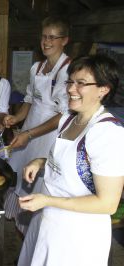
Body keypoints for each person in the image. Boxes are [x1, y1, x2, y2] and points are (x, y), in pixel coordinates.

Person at [18, 54, 124, 266]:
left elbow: (108, 203)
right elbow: (71, 161)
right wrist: (41, 162)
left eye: (81, 83)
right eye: (70, 81)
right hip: (50, 220)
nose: (70, 89)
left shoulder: (107, 133)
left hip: (78, 234)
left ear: (103, 89)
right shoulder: (68, 119)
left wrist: (48, 201)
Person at [3, 16, 71, 234]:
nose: (46, 42)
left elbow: (62, 116)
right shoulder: (36, 68)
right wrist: (17, 119)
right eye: (44, 36)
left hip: (49, 137)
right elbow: (30, 101)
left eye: (52, 37)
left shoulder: (69, 71)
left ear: (65, 40)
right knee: (19, 174)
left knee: (38, 182)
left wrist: (30, 134)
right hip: (29, 131)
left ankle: (32, 234)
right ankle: (18, 224)